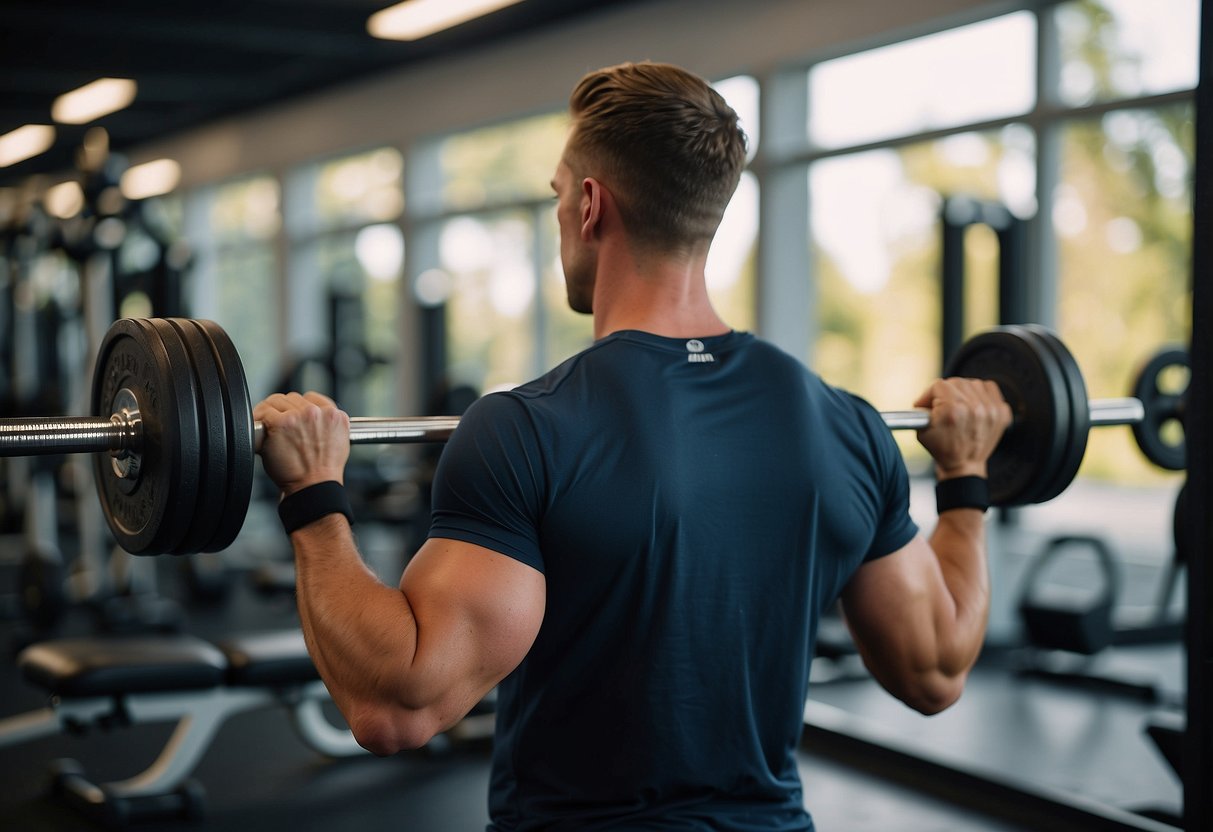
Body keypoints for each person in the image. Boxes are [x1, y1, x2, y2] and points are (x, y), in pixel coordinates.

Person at [254, 61, 1012, 831]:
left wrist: (313, 494)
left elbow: (396, 707)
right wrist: (966, 477)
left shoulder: (528, 429)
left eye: (556, 195)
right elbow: (936, 668)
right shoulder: (845, 426)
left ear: (589, 207)